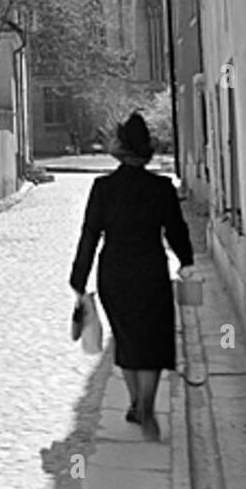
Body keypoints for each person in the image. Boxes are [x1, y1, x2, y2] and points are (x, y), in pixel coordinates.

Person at [69, 112, 194, 441]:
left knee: (126, 339)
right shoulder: (162, 188)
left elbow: (90, 234)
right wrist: (186, 261)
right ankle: (148, 407)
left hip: (114, 273)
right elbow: (176, 230)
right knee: (152, 341)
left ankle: (136, 402)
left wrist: (78, 279)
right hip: (151, 271)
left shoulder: (103, 188)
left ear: (120, 149)